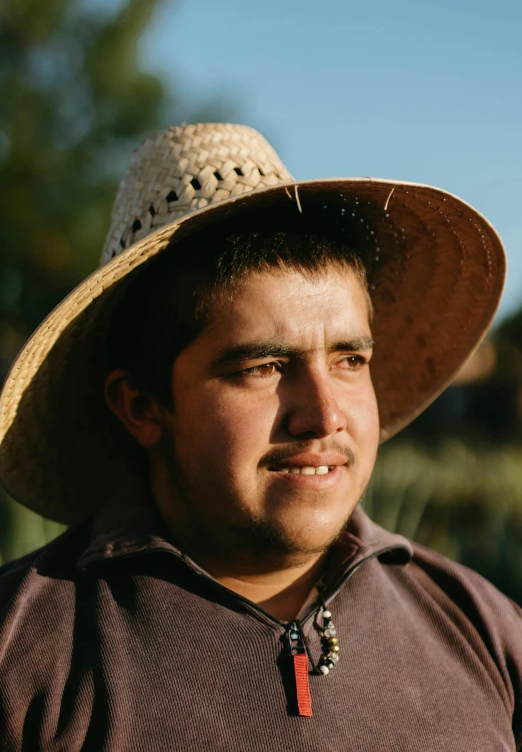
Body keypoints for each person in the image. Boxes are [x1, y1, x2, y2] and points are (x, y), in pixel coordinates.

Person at [0, 123, 519, 751]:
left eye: (350, 360)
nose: (324, 415)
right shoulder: (24, 655)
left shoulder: (482, 627)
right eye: (262, 368)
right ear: (141, 406)